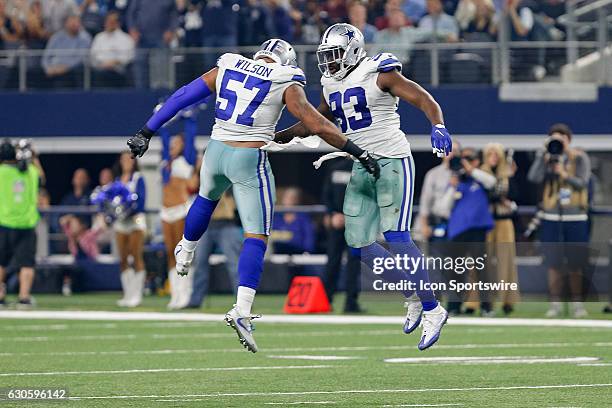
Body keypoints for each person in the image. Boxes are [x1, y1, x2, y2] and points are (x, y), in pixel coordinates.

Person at [127, 39, 379, 352]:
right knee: (257, 236)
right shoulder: (285, 77)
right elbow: (314, 122)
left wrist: (146, 131)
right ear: (285, 61)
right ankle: (242, 310)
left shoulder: (229, 63)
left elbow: (183, 96)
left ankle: (187, 249)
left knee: (206, 198)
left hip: (215, 151)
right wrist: (355, 150)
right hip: (248, 157)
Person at [275, 23, 452, 350]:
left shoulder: (380, 72)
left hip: (393, 161)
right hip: (361, 163)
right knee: (357, 243)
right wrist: (279, 136)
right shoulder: (330, 83)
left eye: (335, 54)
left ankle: (432, 308)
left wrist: (437, 124)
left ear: (354, 51)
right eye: (326, 56)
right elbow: (317, 122)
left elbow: (422, 97)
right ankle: (412, 294)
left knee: (397, 236)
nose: (329, 62)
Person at [527, 123, 591, 318]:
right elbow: (533, 177)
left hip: (575, 216)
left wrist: (563, 173)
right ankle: (554, 304)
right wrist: (541, 156)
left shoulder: (579, 157)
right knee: (553, 263)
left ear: (569, 140)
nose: (558, 143)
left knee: (575, 263)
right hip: (552, 216)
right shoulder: (547, 158)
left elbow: (582, 183)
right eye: (554, 139)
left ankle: (577, 304)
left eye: (561, 139)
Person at [438, 147, 495, 315]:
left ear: (476, 161)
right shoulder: (457, 182)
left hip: (477, 229)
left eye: (469, 159)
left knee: (481, 269)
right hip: (457, 230)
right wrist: (452, 187)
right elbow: (442, 209)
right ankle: (454, 306)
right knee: (455, 269)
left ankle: (486, 307)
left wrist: (471, 170)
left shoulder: (480, 179)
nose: (464, 162)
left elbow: (491, 182)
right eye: (462, 159)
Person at [159, 117, 198, 310]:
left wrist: (189, 117)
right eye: (172, 143)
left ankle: (186, 293)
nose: (173, 145)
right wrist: (163, 117)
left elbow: (190, 135)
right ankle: (175, 294)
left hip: (182, 210)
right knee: (169, 254)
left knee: (181, 253)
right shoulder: (166, 161)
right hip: (166, 211)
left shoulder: (188, 159)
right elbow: (163, 137)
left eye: (177, 143)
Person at [0, 139, 44, 309]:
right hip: (26, 225)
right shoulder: (30, 172)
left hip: (3, 223)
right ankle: (24, 297)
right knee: (26, 263)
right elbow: (41, 178)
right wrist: (33, 156)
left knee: (1, 262)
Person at [481, 143, 519, 315]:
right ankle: (477, 302)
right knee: (481, 262)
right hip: (485, 222)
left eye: (496, 155)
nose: (493, 158)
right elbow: (484, 196)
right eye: (490, 154)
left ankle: (507, 300)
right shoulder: (480, 173)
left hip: (504, 221)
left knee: (506, 261)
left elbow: (517, 196)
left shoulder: (508, 174)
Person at [321, 158, 363, 313]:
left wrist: (334, 214)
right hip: (345, 222)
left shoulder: (338, 168)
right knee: (340, 261)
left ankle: (344, 302)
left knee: (348, 262)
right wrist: (332, 214)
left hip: (350, 222)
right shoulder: (362, 168)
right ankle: (333, 301)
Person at [189, 191, 242, 308]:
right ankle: (195, 300)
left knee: (235, 265)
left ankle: (243, 301)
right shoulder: (202, 176)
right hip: (206, 224)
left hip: (227, 223)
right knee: (199, 263)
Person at [112, 151, 147, 307]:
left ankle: (137, 295)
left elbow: (141, 200)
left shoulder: (138, 178)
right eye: (123, 159)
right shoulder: (118, 180)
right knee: (123, 259)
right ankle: (128, 294)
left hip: (135, 220)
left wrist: (128, 211)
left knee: (136, 256)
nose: (126, 162)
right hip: (121, 222)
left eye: (129, 159)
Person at [126, 0, 178, 88]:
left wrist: (171, 30)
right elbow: (131, 14)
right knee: (140, 69)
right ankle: (141, 94)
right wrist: (132, 29)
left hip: (161, 38)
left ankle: (162, 95)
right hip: (141, 38)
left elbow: (174, 15)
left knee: (162, 69)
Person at [41, 14, 92, 88]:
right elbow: (46, 57)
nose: (74, 25)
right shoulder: (56, 37)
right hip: (54, 70)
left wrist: (65, 68)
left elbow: (81, 59)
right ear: (66, 24)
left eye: (76, 22)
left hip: (73, 71)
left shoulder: (85, 38)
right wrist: (48, 68)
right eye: (71, 22)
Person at [90, 11, 135, 88]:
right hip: (100, 69)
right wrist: (103, 64)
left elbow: (129, 56)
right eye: (108, 21)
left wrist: (114, 62)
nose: (109, 23)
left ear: (118, 23)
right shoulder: (99, 37)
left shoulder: (126, 38)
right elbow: (93, 56)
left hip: (119, 71)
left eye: (112, 21)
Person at [271, 187, 314, 255]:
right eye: (287, 197)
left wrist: (307, 253)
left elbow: (309, 240)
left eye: (292, 198)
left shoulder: (303, 219)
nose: (289, 200)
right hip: (277, 254)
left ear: (297, 200)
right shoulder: (277, 218)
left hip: (298, 255)